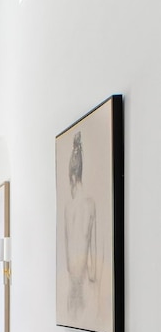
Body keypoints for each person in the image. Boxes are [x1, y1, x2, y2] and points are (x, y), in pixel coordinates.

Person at [64, 132, 97, 318]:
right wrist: (92, 274)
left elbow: (68, 246)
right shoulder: (90, 205)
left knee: (76, 312)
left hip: (75, 277)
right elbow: (92, 246)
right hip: (84, 275)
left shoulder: (69, 207)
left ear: (72, 178)